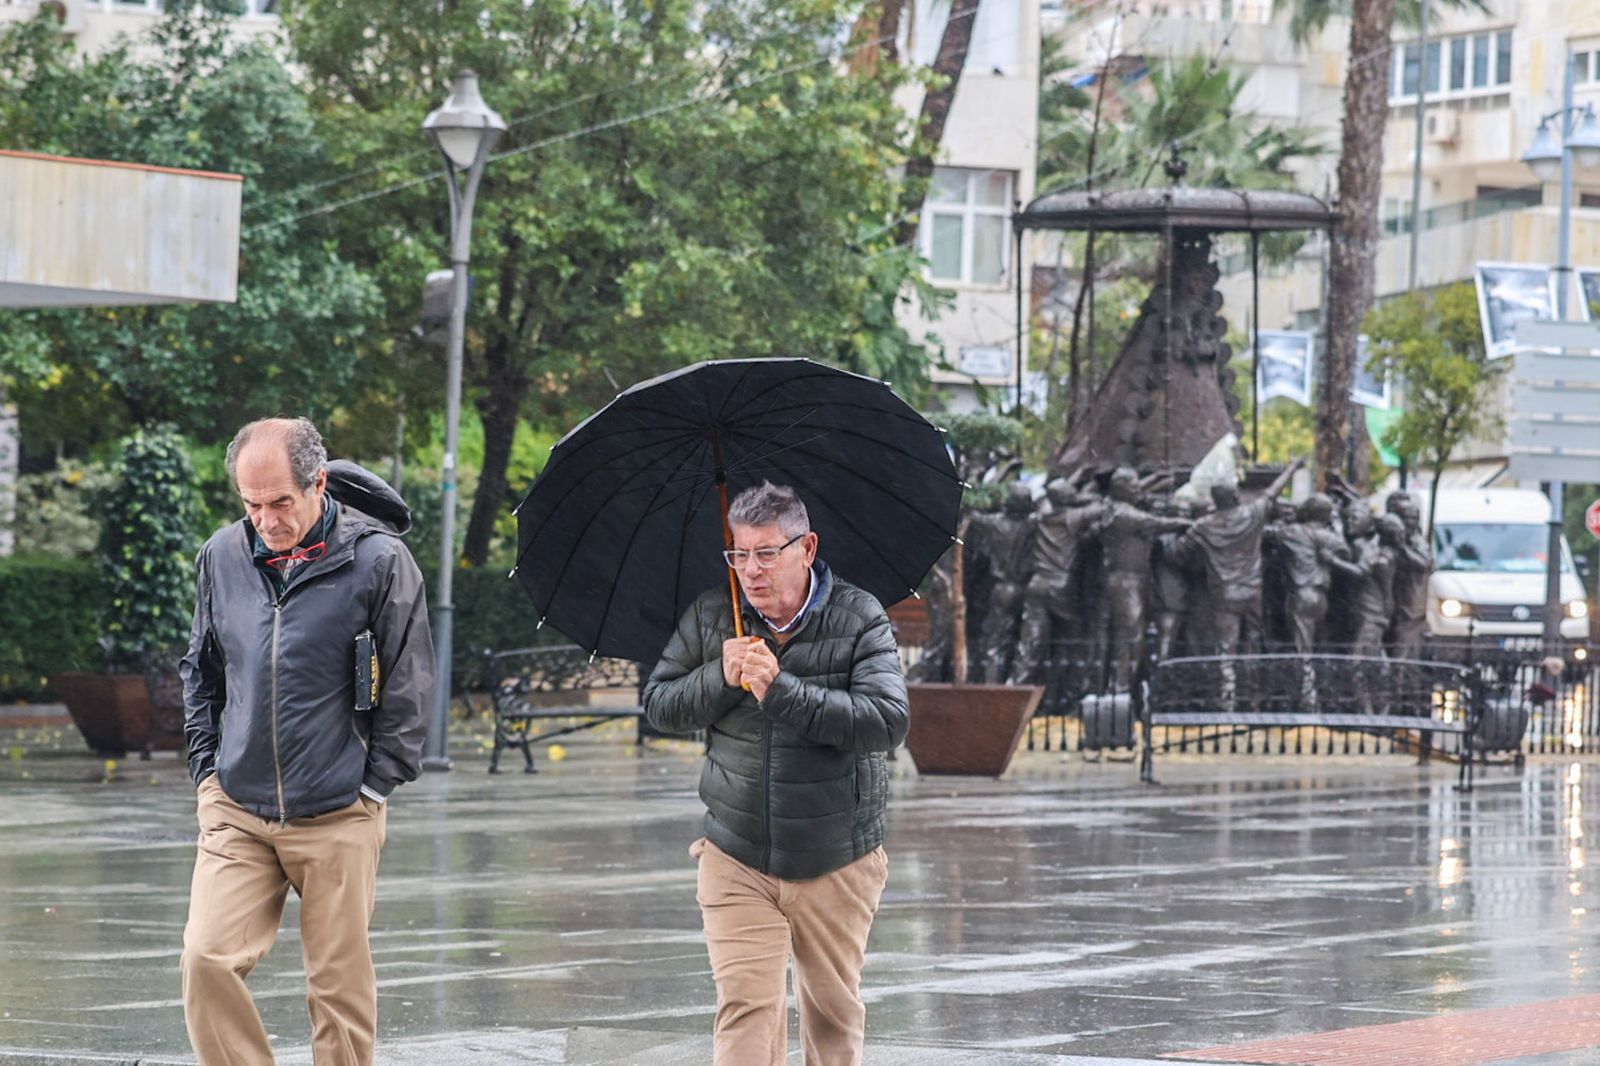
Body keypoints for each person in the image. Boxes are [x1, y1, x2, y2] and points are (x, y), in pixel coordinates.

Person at [178, 417, 434, 1066]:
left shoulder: (379, 561)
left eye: (280, 502)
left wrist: (374, 786)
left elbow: (410, 681)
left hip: (339, 809)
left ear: (318, 483)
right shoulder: (222, 556)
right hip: (238, 806)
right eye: (250, 505)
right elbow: (201, 670)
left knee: (337, 995)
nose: (264, 519)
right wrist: (207, 772)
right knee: (206, 958)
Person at [642, 481, 907, 1066]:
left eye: (767, 554)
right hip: (736, 853)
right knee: (745, 1010)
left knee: (832, 1018)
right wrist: (718, 675)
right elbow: (658, 705)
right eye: (739, 554)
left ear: (807, 548)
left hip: (837, 854)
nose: (751, 571)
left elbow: (886, 722)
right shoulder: (715, 615)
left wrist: (780, 690)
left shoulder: (860, 616)